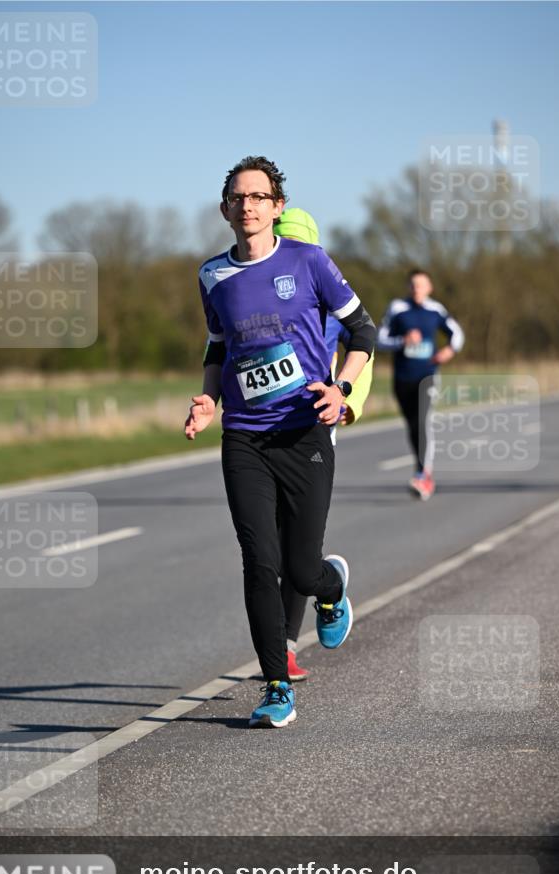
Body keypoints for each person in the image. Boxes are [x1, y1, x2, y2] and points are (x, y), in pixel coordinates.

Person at [185, 157, 376, 727]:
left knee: (298, 569)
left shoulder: (309, 261)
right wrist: (207, 400)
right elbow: (218, 349)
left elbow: (363, 330)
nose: (248, 205)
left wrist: (341, 390)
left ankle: (331, 583)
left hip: (305, 431)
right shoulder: (211, 275)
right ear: (225, 209)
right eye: (238, 197)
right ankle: (274, 685)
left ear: (277, 207)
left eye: (259, 196)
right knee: (258, 560)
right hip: (244, 437)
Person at [272, 207, 374, 682]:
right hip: (261, 433)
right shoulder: (255, 288)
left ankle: (301, 627)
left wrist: (347, 401)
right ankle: (283, 649)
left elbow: (364, 345)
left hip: (313, 430)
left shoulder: (327, 292)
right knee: (267, 546)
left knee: (292, 542)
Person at [377, 269, 464, 500]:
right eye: (413, 285)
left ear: (429, 288)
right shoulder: (397, 308)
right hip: (403, 377)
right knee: (413, 425)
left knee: (423, 422)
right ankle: (423, 471)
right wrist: (402, 340)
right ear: (408, 287)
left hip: (427, 375)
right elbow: (379, 339)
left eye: (421, 285)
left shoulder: (435, 309)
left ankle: (422, 474)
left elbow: (457, 333)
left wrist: (450, 350)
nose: (417, 289)